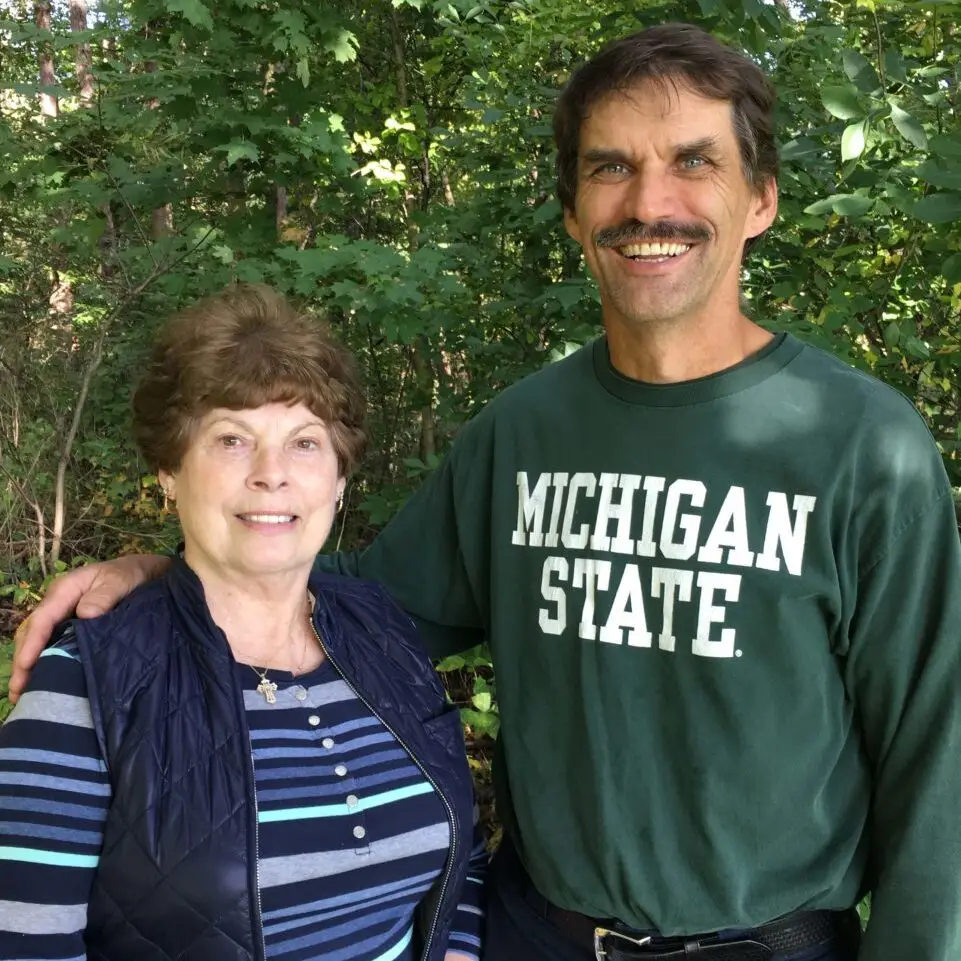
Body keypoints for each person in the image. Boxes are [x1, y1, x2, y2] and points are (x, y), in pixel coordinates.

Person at [11, 22, 961, 961]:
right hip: (532, 935)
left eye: (693, 162)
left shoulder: (859, 447)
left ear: (759, 198)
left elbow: (937, 751)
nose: (648, 201)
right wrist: (169, 572)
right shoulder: (523, 432)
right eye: (610, 167)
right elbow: (360, 608)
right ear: (573, 212)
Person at [0, 286, 486, 961]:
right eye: (232, 439)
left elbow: (462, 853)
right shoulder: (87, 682)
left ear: (339, 478)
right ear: (170, 471)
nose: (271, 475)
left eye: (305, 443)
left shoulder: (384, 633)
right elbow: (25, 945)